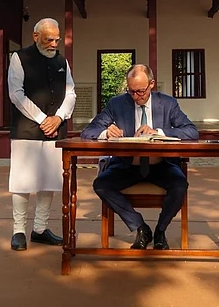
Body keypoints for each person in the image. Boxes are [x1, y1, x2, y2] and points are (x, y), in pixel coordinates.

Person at [80, 64, 198, 250]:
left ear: (152, 84)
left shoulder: (168, 104)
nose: (136, 96)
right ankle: (141, 228)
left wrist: (158, 132)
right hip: (128, 165)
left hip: (161, 165)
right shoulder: (117, 104)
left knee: (180, 185)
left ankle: (160, 230)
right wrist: (106, 133)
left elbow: (191, 131)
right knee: (101, 185)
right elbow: (88, 132)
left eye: (141, 91)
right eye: (132, 91)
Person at [7, 18, 76, 251]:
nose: (54, 44)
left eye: (57, 39)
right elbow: (16, 94)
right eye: (49, 40)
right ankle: (18, 231)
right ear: (36, 37)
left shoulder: (62, 61)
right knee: (22, 181)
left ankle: (40, 229)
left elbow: (71, 93)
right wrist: (42, 119)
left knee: (50, 180)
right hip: (27, 129)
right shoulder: (19, 58)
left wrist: (59, 118)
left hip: (55, 129)